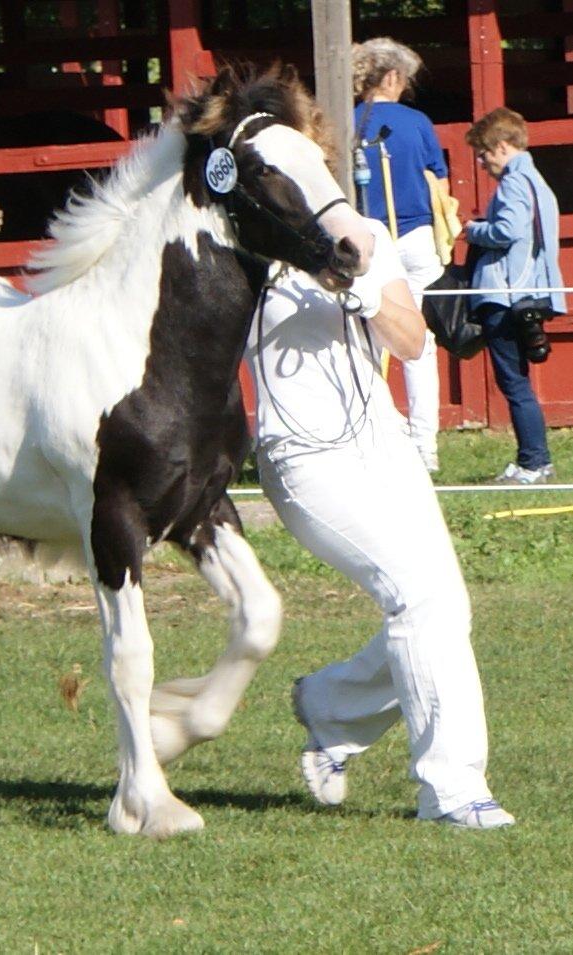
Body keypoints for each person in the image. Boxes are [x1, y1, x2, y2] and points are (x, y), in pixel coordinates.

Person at [245, 216, 515, 829]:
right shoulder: (250, 241)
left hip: (384, 444)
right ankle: (451, 791)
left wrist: (359, 285)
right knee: (418, 600)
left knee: (445, 606)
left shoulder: (365, 234)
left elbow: (413, 340)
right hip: (301, 454)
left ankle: (331, 706)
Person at [352, 37, 449, 473]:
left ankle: (372, 435)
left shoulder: (346, 120)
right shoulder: (417, 122)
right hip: (414, 239)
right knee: (419, 343)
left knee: (367, 338)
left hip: (367, 237)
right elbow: (437, 177)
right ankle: (423, 445)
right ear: (391, 77)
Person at [465, 107, 567, 484]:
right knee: (518, 378)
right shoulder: (538, 182)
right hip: (529, 293)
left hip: (506, 294)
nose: (481, 161)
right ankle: (536, 460)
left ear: (503, 146)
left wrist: (474, 230)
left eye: (484, 152)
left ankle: (533, 463)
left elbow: (508, 230)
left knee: (513, 381)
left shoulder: (512, 183)